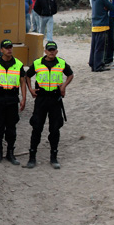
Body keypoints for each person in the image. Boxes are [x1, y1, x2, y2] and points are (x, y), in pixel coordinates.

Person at [25, 41, 74, 169]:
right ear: (45, 51)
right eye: (49, 50)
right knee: (37, 127)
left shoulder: (61, 63)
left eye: (53, 50)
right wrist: (30, 89)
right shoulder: (37, 63)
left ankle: (54, 157)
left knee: (55, 128)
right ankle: (32, 157)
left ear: (56, 51)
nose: (51, 52)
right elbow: (27, 76)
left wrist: (64, 86)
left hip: (55, 99)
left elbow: (70, 74)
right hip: (41, 99)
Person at [0, 39, 27, 165]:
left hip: (12, 99)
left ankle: (10, 153)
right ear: (1, 50)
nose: (9, 50)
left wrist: (24, 98)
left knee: (11, 128)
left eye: (10, 47)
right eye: (6, 48)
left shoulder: (18, 64)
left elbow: (23, 82)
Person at [89, 0, 114, 72]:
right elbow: (111, 7)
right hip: (102, 25)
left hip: (95, 25)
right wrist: (109, 3)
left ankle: (93, 63)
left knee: (94, 47)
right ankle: (98, 66)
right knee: (100, 47)